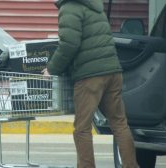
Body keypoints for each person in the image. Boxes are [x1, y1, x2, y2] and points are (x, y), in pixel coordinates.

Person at [42, 0, 139, 167]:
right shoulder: (94, 6)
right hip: (113, 71)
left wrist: (51, 69)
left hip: (90, 77)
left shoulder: (70, 7)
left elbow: (69, 44)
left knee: (82, 128)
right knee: (120, 124)